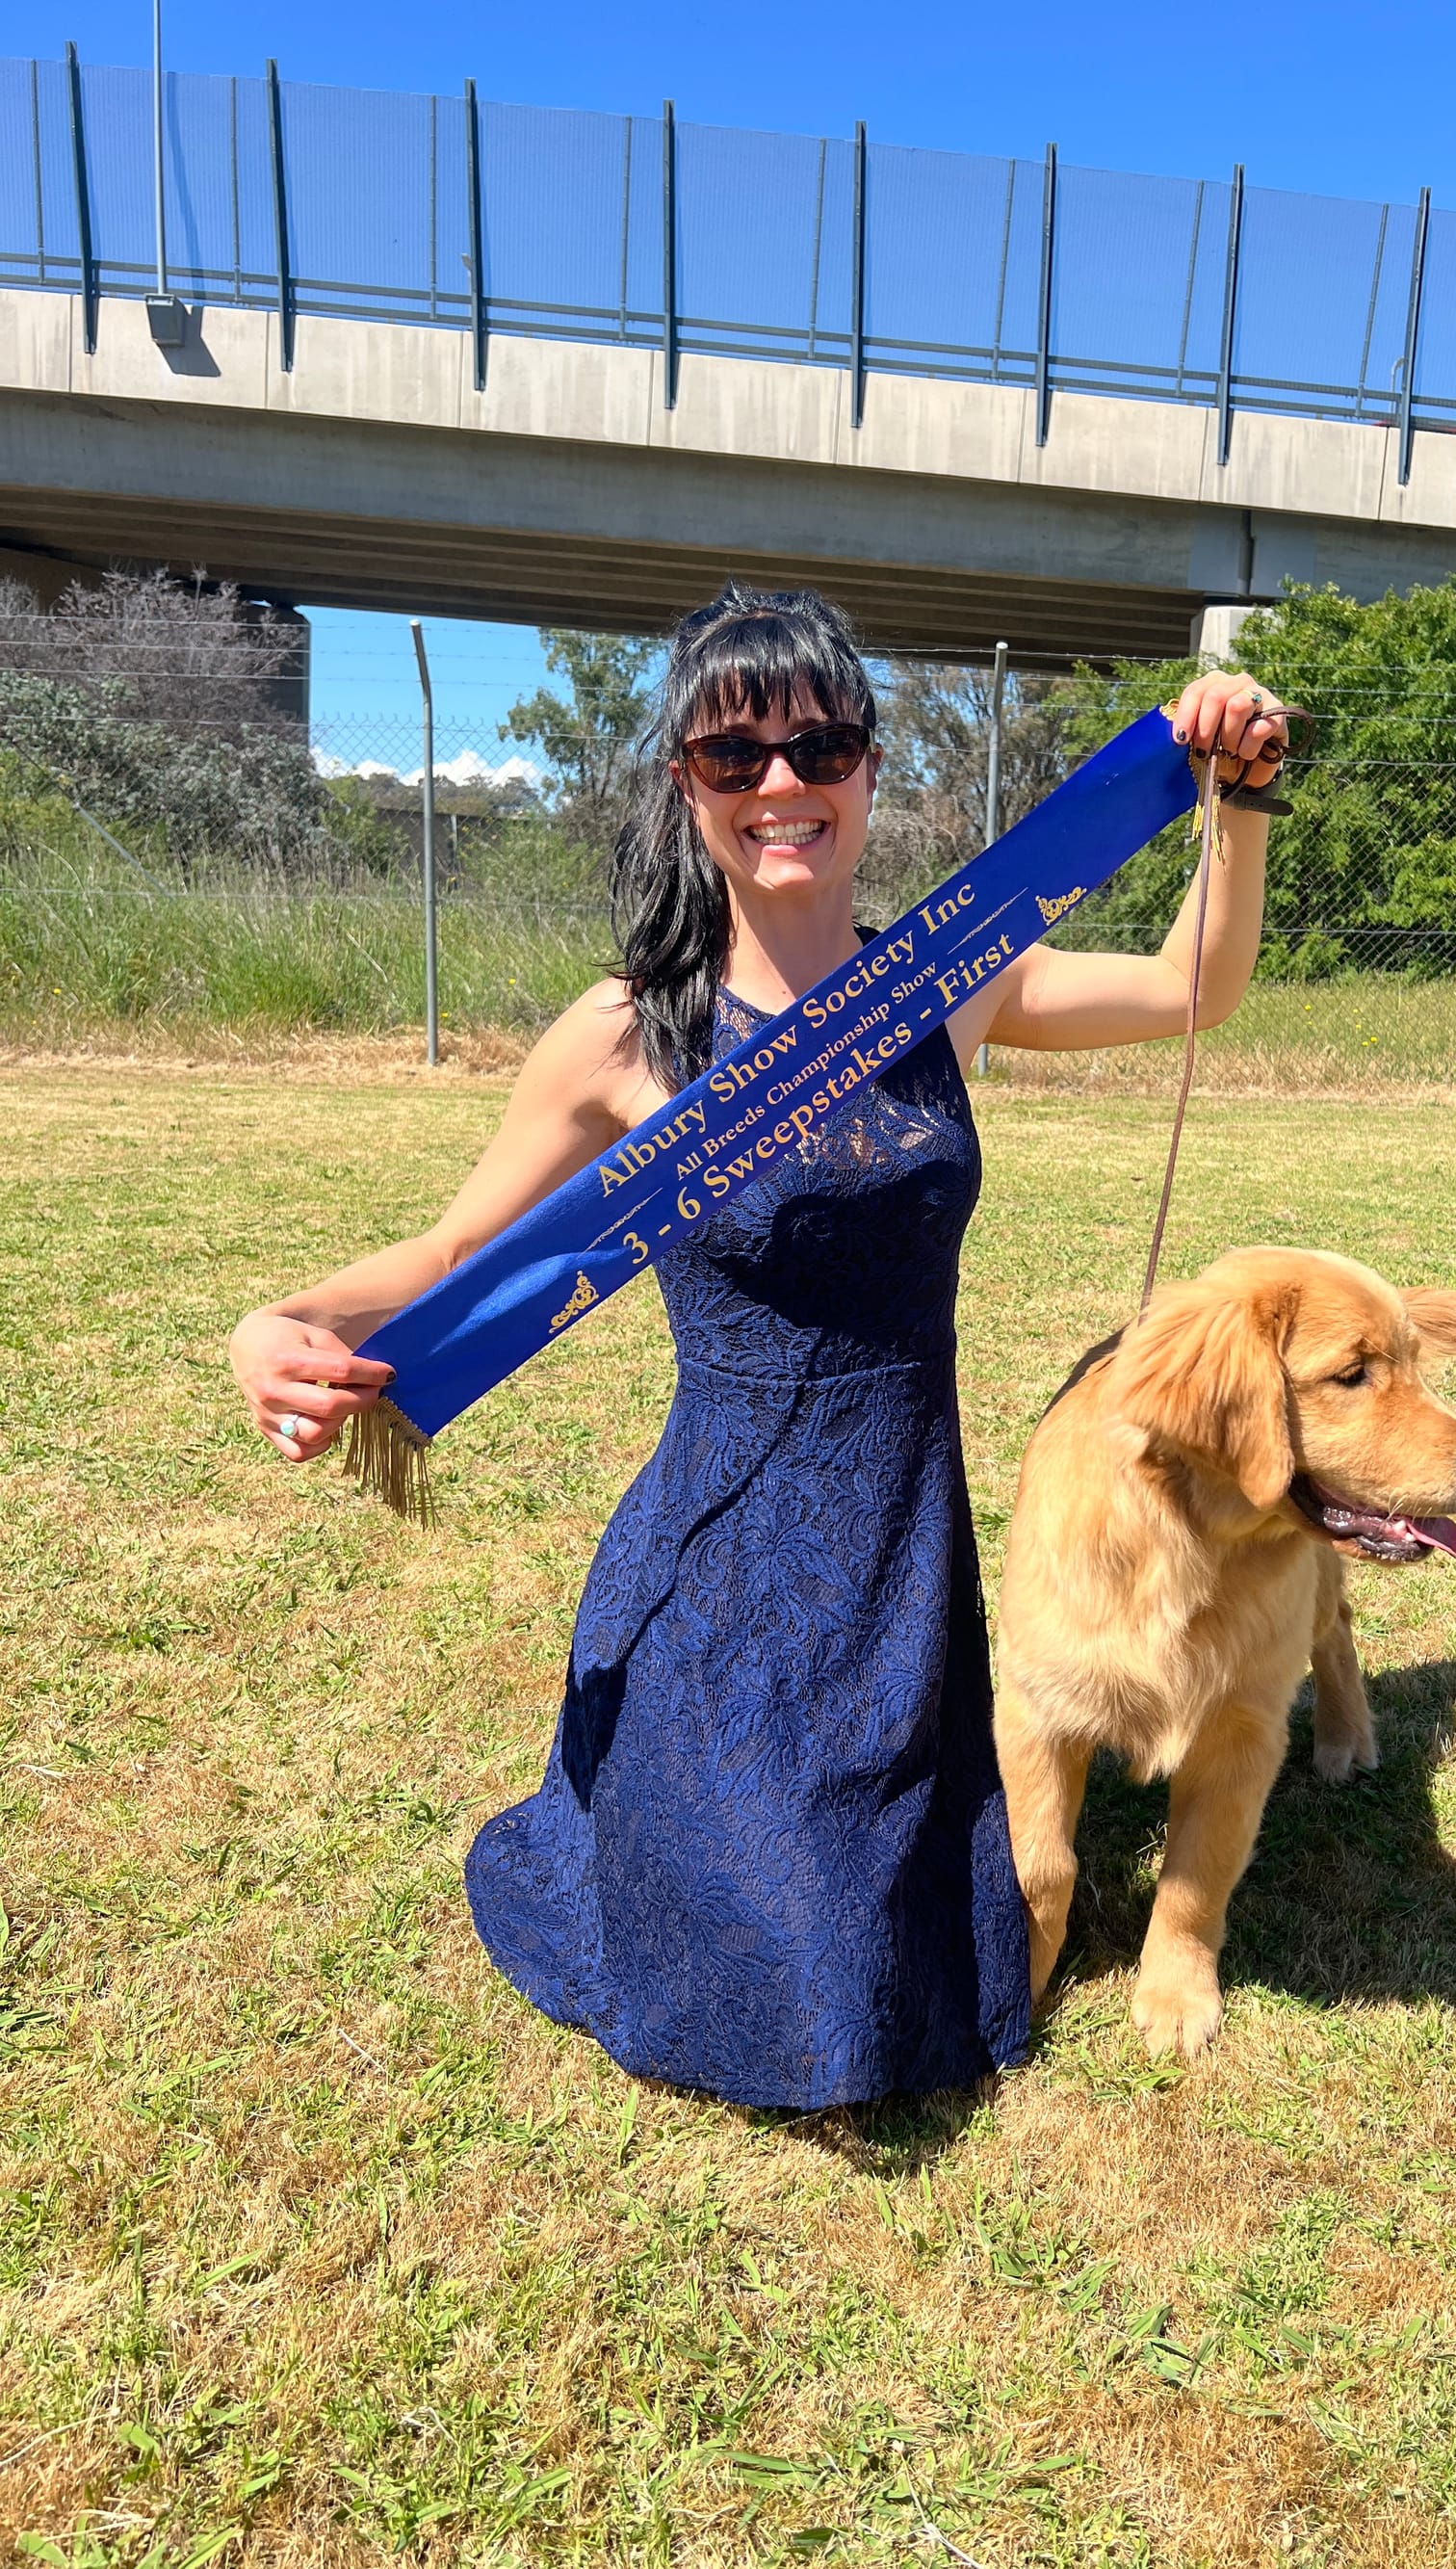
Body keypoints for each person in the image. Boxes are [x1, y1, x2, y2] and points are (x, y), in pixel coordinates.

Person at [228, 584, 1293, 2110]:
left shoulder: (953, 979)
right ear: (689, 786)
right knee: (795, 1966)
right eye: (736, 756)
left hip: (902, 1539)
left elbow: (1199, 985)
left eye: (819, 747)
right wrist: (282, 1323)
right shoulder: (627, 1033)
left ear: (867, 767)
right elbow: (457, 1253)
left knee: (895, 1947)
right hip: (723, 1552)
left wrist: (1233, 802)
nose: (782, 785)